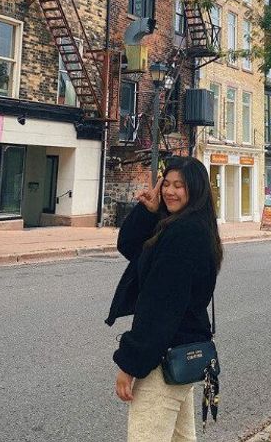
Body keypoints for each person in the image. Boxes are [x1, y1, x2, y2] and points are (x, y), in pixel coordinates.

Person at [107, 156, 223, 441]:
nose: (170, 191)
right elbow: (130, 247)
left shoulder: (183, 234)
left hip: (164, 357)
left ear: (195, 190)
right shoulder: (187, 225)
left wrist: (130, 365)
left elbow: (160, 307)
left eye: (179, 186)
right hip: (181, 350)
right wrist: (148, 211)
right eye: (167, 184)